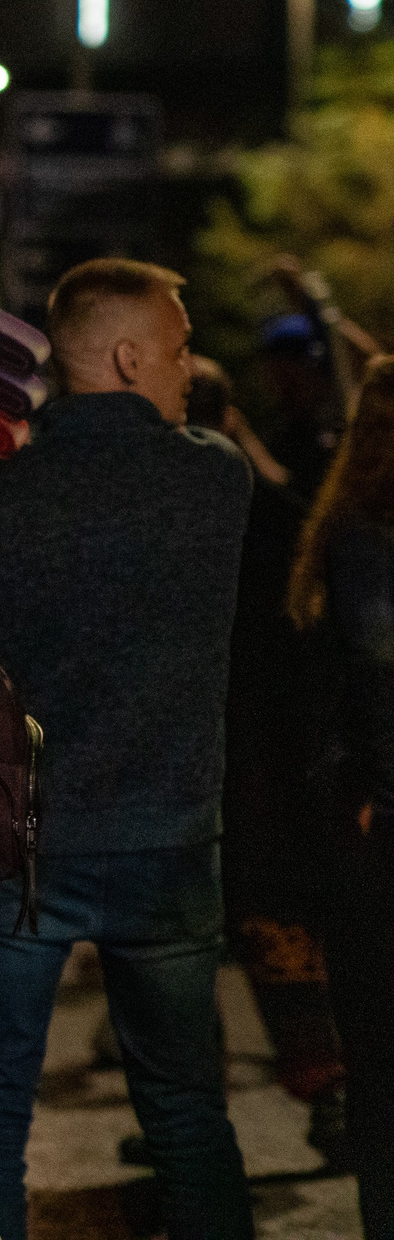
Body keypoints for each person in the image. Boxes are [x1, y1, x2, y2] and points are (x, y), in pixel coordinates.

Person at [0, 259, 255, 1240]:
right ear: (129, 356)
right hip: (168, 839)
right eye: (179, 347)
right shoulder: (214, 477)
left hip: (24, 845)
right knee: (184, 1104)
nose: (189, 367)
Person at [185, 357, 348, 1169]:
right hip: (280, 749)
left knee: (197, 942)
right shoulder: (279, 507)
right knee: (285, 921)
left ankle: (190, 1119)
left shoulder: (171, 505)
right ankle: (329, 1091)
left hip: (212, 750)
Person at [284, 354, 394, 1236]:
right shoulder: (365, 542)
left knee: (378, 1057)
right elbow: (375, 664)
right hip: (379, 817)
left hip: (366, 825)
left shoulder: (343, 534)